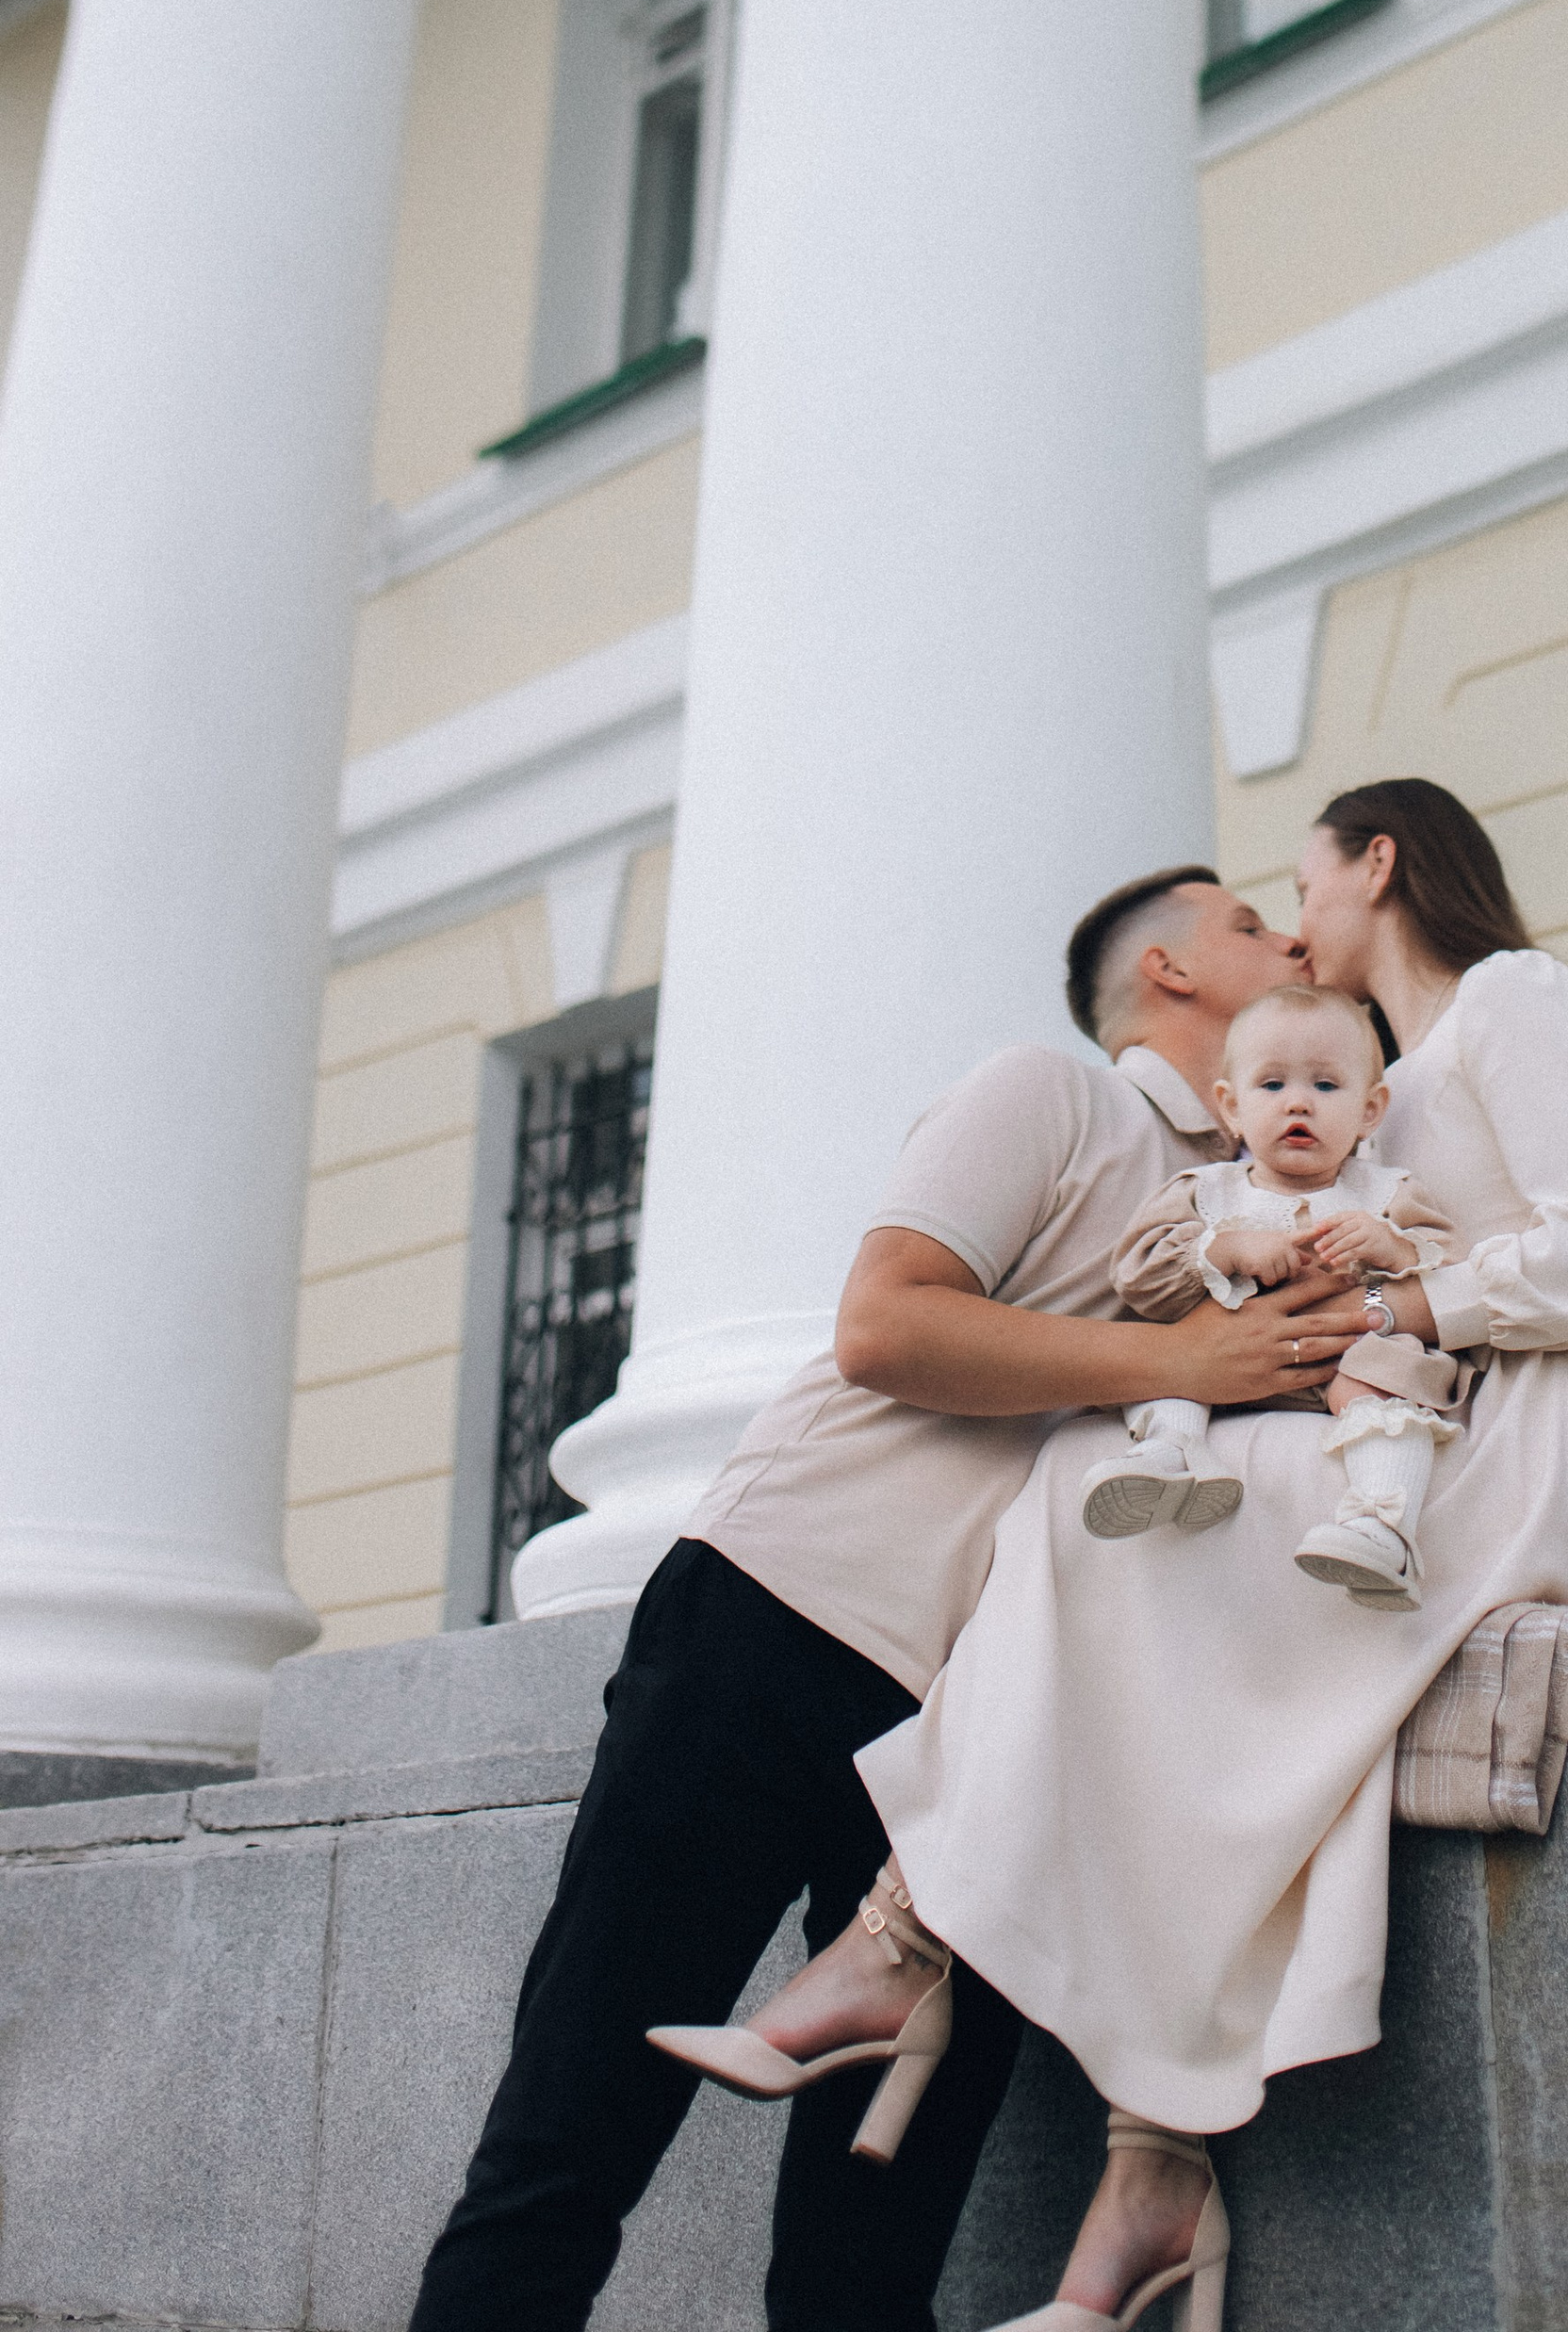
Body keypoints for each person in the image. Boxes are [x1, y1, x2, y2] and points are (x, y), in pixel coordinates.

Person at [750, 777, 1568, 2332]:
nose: (1293, 921)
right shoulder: (1371, 1077)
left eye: (1301, 887)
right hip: (1423, 1417)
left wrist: (1394, 1311)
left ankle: (912, 1942)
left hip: (1534, 1437)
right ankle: (1145, 2164)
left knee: (1102, 1511)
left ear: (1378, 866)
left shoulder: (1516, 999)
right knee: (1109, 1520)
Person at [409, 868, 1363, 2332]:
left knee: (871, 2262)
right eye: (1251, 924)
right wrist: (1180, 1365)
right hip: (771, 1633)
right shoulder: (1051, 1095)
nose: (1292, 940)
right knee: (565, 2149)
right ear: (1166, 974)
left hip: (980, 1758)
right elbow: (884, 1324)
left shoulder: (1275, 1203)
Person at [1086, 978, 1470, 1606]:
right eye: (1272, 1085)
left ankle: (1382, 1524)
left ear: (1371, 1110)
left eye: (1325, 1085)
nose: (1299, 1104)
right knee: (1162, 1352)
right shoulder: (1208, 1193)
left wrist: (1392, 1247)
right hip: (1222, 1370)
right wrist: (1224, 1247)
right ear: (1231, 1105)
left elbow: (1451, 1263)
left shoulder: (1385, 1193)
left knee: (1386, 1370)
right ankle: (1173, 1453)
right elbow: (1137, 1271)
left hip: (1339, 1364)